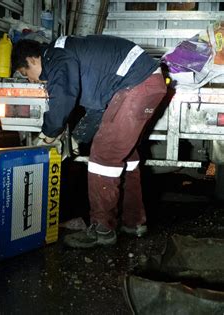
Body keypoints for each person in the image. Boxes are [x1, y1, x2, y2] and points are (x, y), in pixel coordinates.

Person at [11, 35, 167, 248]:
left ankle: (102, 230)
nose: (31, 80)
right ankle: (133, 222)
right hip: (144, 82)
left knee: (103, 155)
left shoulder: (56, 56)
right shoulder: (74, 57)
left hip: (137, 84)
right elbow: (97, 109)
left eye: (25, 73)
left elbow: (63, 96)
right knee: (126, 154)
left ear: (32, 60)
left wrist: (48, 134)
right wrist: (76, 139)